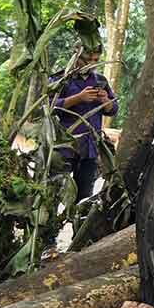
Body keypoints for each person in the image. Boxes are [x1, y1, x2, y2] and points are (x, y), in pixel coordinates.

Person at [52, 43, 118, 199]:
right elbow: (47, 106)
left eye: (96, 60)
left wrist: (105, 100)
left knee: (84, 197)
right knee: (53, 193)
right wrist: (77, 98)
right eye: (87, 59)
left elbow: (113, 109)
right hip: (64, 147)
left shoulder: (100, 80)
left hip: (90, 149)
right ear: (76, 55)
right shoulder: (60, 78)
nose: (92, 63)